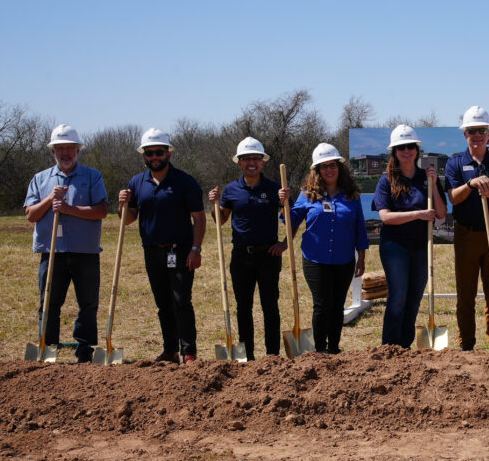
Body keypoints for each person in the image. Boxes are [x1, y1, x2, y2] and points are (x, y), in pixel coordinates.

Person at [119, 128, 205, 364]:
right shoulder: (137, 182)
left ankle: (189, 351)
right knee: (163, 303)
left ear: (168, 153)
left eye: (158, 152)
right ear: (144, 156)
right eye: (149, 153)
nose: (154, 157)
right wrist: (122, 206)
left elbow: (199, 217)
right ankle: (170, 350)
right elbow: (128, 218)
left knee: (181, 300)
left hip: (180, 251)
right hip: (152, 251)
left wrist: (196, 249)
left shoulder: (185, 181)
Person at [23, 124, 108, 363]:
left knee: (88, 303)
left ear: (78, 150)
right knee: (49, 302)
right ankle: (48, 345)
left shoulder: (93, 176)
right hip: (52, 252)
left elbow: (101, 210)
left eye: (70, 148)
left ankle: (84, 349)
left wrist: (70, 209)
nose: (65, 153)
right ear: (53, 152)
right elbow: (31, 215)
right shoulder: (41, 180)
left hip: (85, 251)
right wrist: (50, 199)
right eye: (60, 149)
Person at [207, 137, 285, 360]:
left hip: (269, 254)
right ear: (239, 163)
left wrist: (285, 243)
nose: (252, 163)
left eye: (256, 159)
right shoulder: (231, 190)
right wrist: (214, 204)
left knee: (270, 306)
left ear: (263, 162)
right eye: (246, 159)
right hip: (241, 256)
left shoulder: (274, 189)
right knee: (243, 307)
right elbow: (220, 220)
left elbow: (292, 218)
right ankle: (247, 355)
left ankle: (272, 354)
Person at [445, 106, 489, 350]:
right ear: (465, 134)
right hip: (466, 234)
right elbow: (453, 197)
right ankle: (467, 344)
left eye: (482, 130)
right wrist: (471, 184)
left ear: (488, 134)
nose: (477, 135)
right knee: (466, 294)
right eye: (472, 130)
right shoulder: (455, 162)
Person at [287, 143, 368, 354]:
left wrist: (362, 258)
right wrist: (285, 204)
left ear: (339, 168)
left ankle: (334, 348)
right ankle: (320, 350)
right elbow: (291, 220)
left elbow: (360, 228)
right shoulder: (307, 195)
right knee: (322, 305)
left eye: (333, 165)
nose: (329, 170)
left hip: (344, 260)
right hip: (315, 259)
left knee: (337, 305)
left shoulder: (352, 196)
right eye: (324, 166)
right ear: (317, 171)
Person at [373, 125, 447, 348]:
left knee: (414, 299)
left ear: (416, 150)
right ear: (394, 152)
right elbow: (385, 217)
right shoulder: (386, 181)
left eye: (410, 147)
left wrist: (433, 186)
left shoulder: (427, 178)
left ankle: (405, 347)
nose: (406, 151)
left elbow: (441, 213)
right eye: (401, 147)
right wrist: (418, 214)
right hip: (395, 247)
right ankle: (390, 348)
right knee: (398, 298)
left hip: (421, 247)